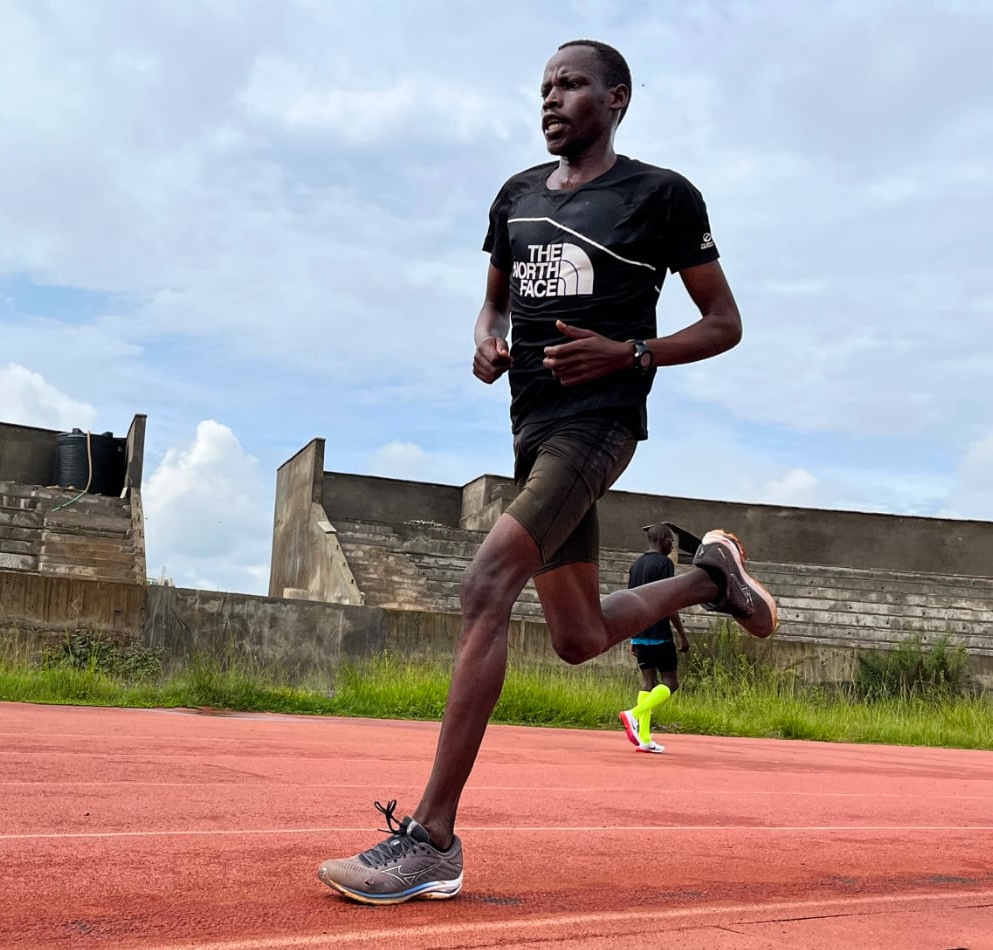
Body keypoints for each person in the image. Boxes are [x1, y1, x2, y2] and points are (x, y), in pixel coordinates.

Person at [317, 38, 778, 905]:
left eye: (571, 85)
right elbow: (494, 294)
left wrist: (630, 351)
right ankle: (710, 581)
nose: (552, 98)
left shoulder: (661, 196)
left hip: (599, 425)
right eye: (544, 87)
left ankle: (431, 839)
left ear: (618, 98)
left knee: (486, 582)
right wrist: (486, 336)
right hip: (530, 427)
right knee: (574, 638)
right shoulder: (517, 197)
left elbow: (724, 322)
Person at [619, 523, 689, 754]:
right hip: (659, 633)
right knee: (671, 683)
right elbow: (668, 601)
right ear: (660, 539)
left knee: (648, 683)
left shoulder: (635, 565)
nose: (672, 546)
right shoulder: (664, 564)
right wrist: (681, 633)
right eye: (670, 541)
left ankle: (645, 739)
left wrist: (631, 636)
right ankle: (634, 714)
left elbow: (629, 601)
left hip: (640, 633)